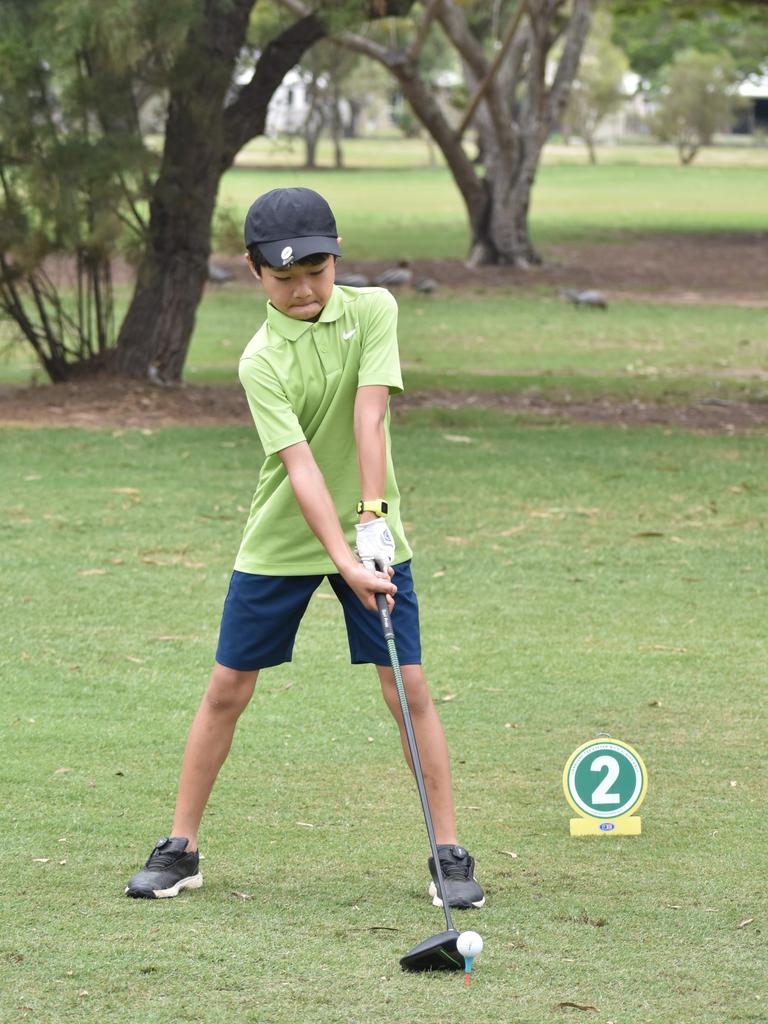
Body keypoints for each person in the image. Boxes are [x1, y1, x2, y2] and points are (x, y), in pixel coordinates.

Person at [125, 187, 484, 910]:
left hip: (374, 530)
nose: (304, 289)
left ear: (335, 258)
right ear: (256, 273)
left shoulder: (373, 309)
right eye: (285, 276)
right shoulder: (260, 360)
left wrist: (373, 521)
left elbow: (370, 413)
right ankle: (181, 848)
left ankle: (447, 852)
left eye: (317, 270)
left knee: (406, 686)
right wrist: (343, 558)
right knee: (228, 687)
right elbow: (300, 466)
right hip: (283, 537)